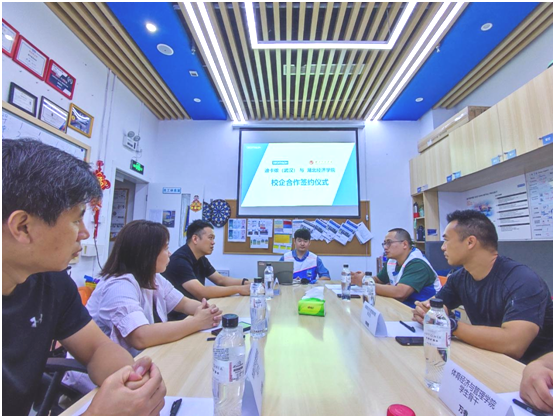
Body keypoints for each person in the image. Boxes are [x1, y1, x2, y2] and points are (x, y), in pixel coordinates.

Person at [2, 139, 166, 416]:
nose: (85, 233)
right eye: (76, 220)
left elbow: (96, 348)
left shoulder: (52, 282)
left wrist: (131, 379)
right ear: (23, 227)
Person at [64, 220, 223, 391]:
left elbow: (183, 303)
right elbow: (140, 336)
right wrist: (197, 322)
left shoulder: (153, 277)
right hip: (99, 378)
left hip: (135, 364)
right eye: (165, 248)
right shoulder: (119, 285)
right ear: (148, 253)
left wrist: (204, 310)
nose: (169, 253)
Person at [412, 210, 553, 364]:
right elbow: (436, 307)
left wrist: (450, 325)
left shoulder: (523, 281)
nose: (442, 247)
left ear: (470, 242)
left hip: (530, 369)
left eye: (446, 240)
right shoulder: (459, 278)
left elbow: (513, 344)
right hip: (489, 358)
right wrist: (425, 311)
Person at [162, 220, 250, 319]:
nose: (213, 242)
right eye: (210, 238)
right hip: (180, 317)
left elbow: (220, 279)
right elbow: (201, 292)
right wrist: (239, 289)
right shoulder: (179, 260)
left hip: (196, 310)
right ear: (195, 239)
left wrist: (247, 283)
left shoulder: (200, 258)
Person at [352, 228, 441, 308]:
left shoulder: (417, 263)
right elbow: (378, 280)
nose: (385, 247)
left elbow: (400, 293)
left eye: (389, 243)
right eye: (384, 243)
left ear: (404, 244)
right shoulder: (392, 260)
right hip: (402, 306)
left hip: (423, 312)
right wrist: (362, 278)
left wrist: (365, 283)